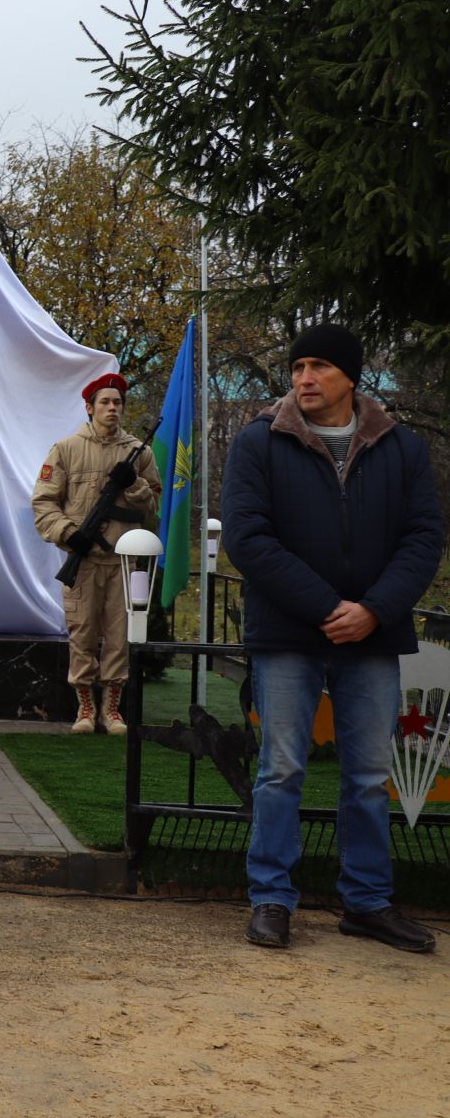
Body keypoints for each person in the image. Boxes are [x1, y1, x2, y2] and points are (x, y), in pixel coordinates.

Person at [222, 323, 443, 953]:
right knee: (282, 769)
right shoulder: (260, 441)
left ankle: (367, 904)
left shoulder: (401, 448)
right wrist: (328, 607)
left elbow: (424, 537)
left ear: (351, 377)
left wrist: (373, 610)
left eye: (318, 366)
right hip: (290, 633)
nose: (303, 378)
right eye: (297, 367)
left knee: (371, 776)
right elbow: (247, 537)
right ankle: (271, 898)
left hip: (372, 636)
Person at [31, 373, 159, 733]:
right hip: (84, 561)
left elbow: (152, 508)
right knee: (83, 632)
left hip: (123, 562)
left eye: (117, 402)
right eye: (105, 402)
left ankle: (112, 708)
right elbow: (43, 502)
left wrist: (132, 483)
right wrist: (70, 534)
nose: (112, 408)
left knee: (119, 636)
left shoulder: (139, 453)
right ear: (89, 407)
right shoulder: (66, 449)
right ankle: (85, 707)